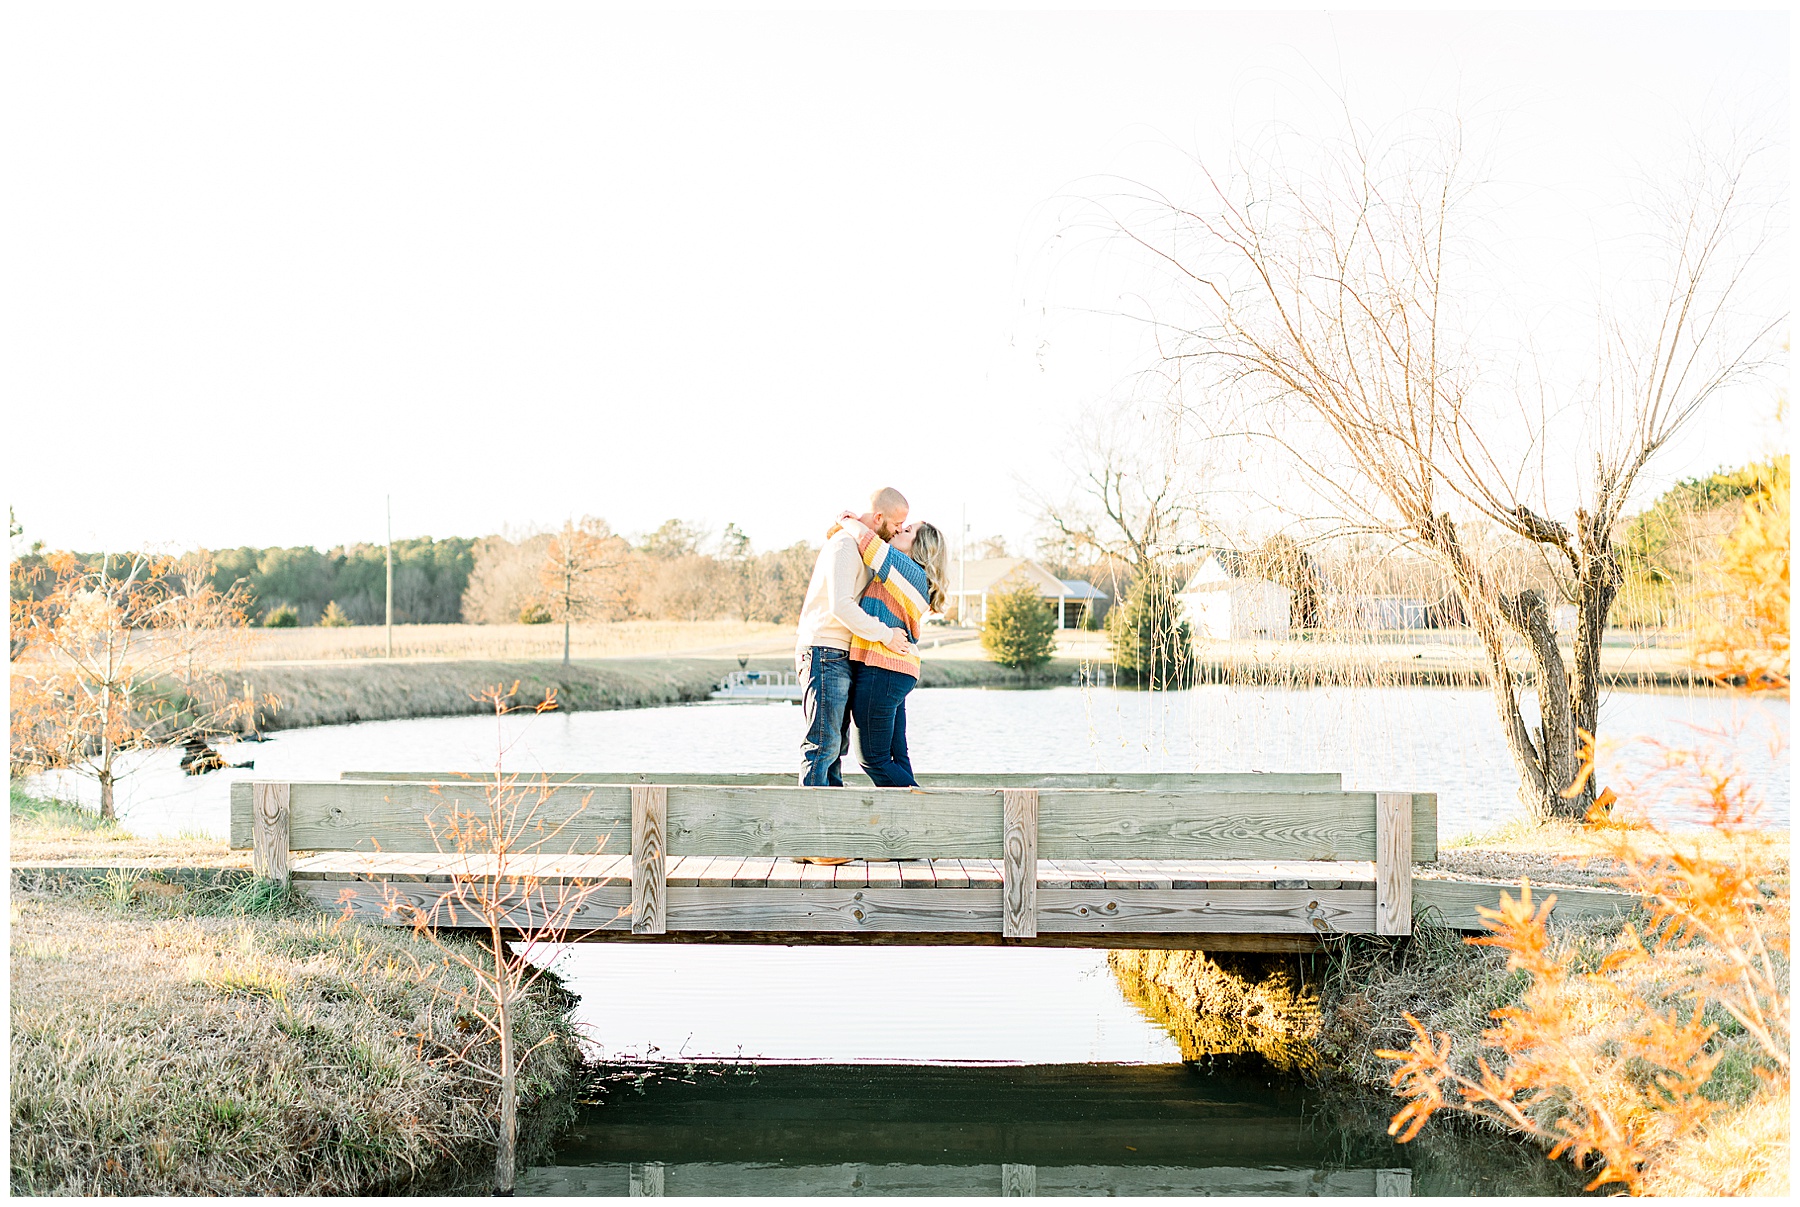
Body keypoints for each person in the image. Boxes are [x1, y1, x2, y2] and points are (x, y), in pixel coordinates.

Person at [793, 487, 915, 786]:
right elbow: (841, 606)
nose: (900, 529)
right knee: (823, 744)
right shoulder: (845, 545)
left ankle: (832, 822)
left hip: (843, 654)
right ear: (878, 517)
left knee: (837, 747)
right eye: (898, 523)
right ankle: (809, 823)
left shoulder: (864, 547)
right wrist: (886, 635)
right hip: (823, 650)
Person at [832, 511, 949, 787]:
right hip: (896, 671)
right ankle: (915, 820)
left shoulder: (907, 570)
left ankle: (928, 811)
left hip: (883, 669)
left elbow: (868, 542)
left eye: (907, 531)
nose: (898, 532)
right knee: (897, 757)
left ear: (918, 548)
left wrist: (847, 521)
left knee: (872, 758)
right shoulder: (906, 576)